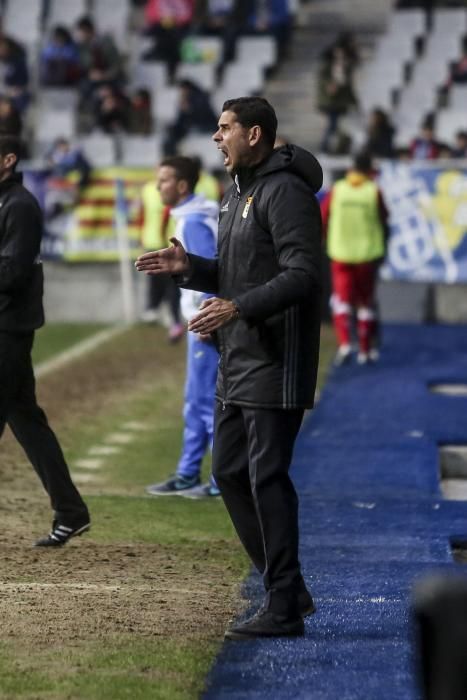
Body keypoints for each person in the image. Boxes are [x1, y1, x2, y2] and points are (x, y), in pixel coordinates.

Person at [136, 96, 323, 639]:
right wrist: (190, 268)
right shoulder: (238, 190)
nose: (217, 139)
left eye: (225, 129)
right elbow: (240, 272)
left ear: (256, 134)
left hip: (274, 356)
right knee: (229, 472)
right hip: (238, 356)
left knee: (265, 476)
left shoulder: (285, 192)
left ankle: (283, 604)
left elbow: (304, 274)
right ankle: (286, 587)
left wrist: (240, 307)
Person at [0, 134, 90, 546]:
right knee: (28, 423)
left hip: (8, 329)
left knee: (26, 421)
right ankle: (71, 512)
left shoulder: (19, 205)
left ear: (9, 160)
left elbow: (13, 272)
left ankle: (71, 512)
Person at [145, 156, 220, 498]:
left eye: (163, 180)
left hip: (204, 324)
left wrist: (205, 316)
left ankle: (220, 481)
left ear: (182, 186)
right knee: (198, 400)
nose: (158, 185)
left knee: (204, 402)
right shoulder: (198, 213)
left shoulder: (192, 223)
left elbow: (207, 270)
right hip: (203, 321)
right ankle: (189, 473)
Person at [320, 152, 388, 365]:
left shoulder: (338, 190)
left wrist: (322, 241)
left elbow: (323, 217)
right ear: (369, 170)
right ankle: (365, 351)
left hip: (340, 254)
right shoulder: (373, 191)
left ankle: (346, 344)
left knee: (341, 300)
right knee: (365, 303)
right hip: (367, 255)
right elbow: (384, 218)